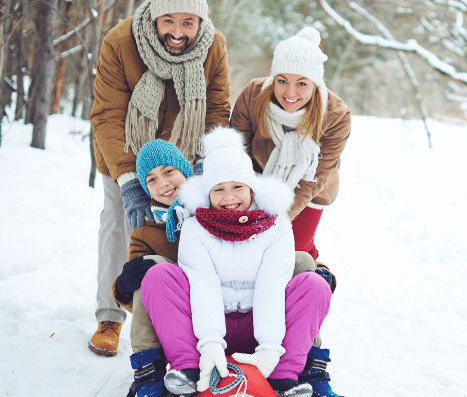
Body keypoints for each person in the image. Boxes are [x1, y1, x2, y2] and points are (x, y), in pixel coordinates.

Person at [88, 0, 231, 357]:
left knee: (186, 233)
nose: (178, 32)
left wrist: (202, 165)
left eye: (189, 23)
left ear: (201, 21)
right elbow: (107, 114)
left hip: (185, 156)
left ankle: (179, 319)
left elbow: (217, 107)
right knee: (121, 222)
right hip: (127, 154)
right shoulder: (121, 41)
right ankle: (110, 316)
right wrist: (131, 181)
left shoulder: (213, 45)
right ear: (154, 16)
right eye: (169, 21)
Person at [113, 137, 320, 397]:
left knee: (307, 269)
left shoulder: (271, 223)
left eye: (169, 172)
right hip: (191, 321)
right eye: (151, 179)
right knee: (153, 270)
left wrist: (316, 274)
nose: (163, 183)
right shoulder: (149, 230)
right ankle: (157, 373)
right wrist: (124, 285)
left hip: (256, 316)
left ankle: (307, 370)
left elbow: (278, 276)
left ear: (187, 175)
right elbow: (150, 300)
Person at [230, 27, 350, 397]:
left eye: (302, 83)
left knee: (295, 260)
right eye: (282, 80)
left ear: (316, 84)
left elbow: (314, 179)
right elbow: (235, 155)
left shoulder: (336, 114)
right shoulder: (253, 94)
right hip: (255, 183)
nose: (290, 92)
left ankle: (311, 361)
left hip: (308, 193)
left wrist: (277, 218)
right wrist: (248, 206)